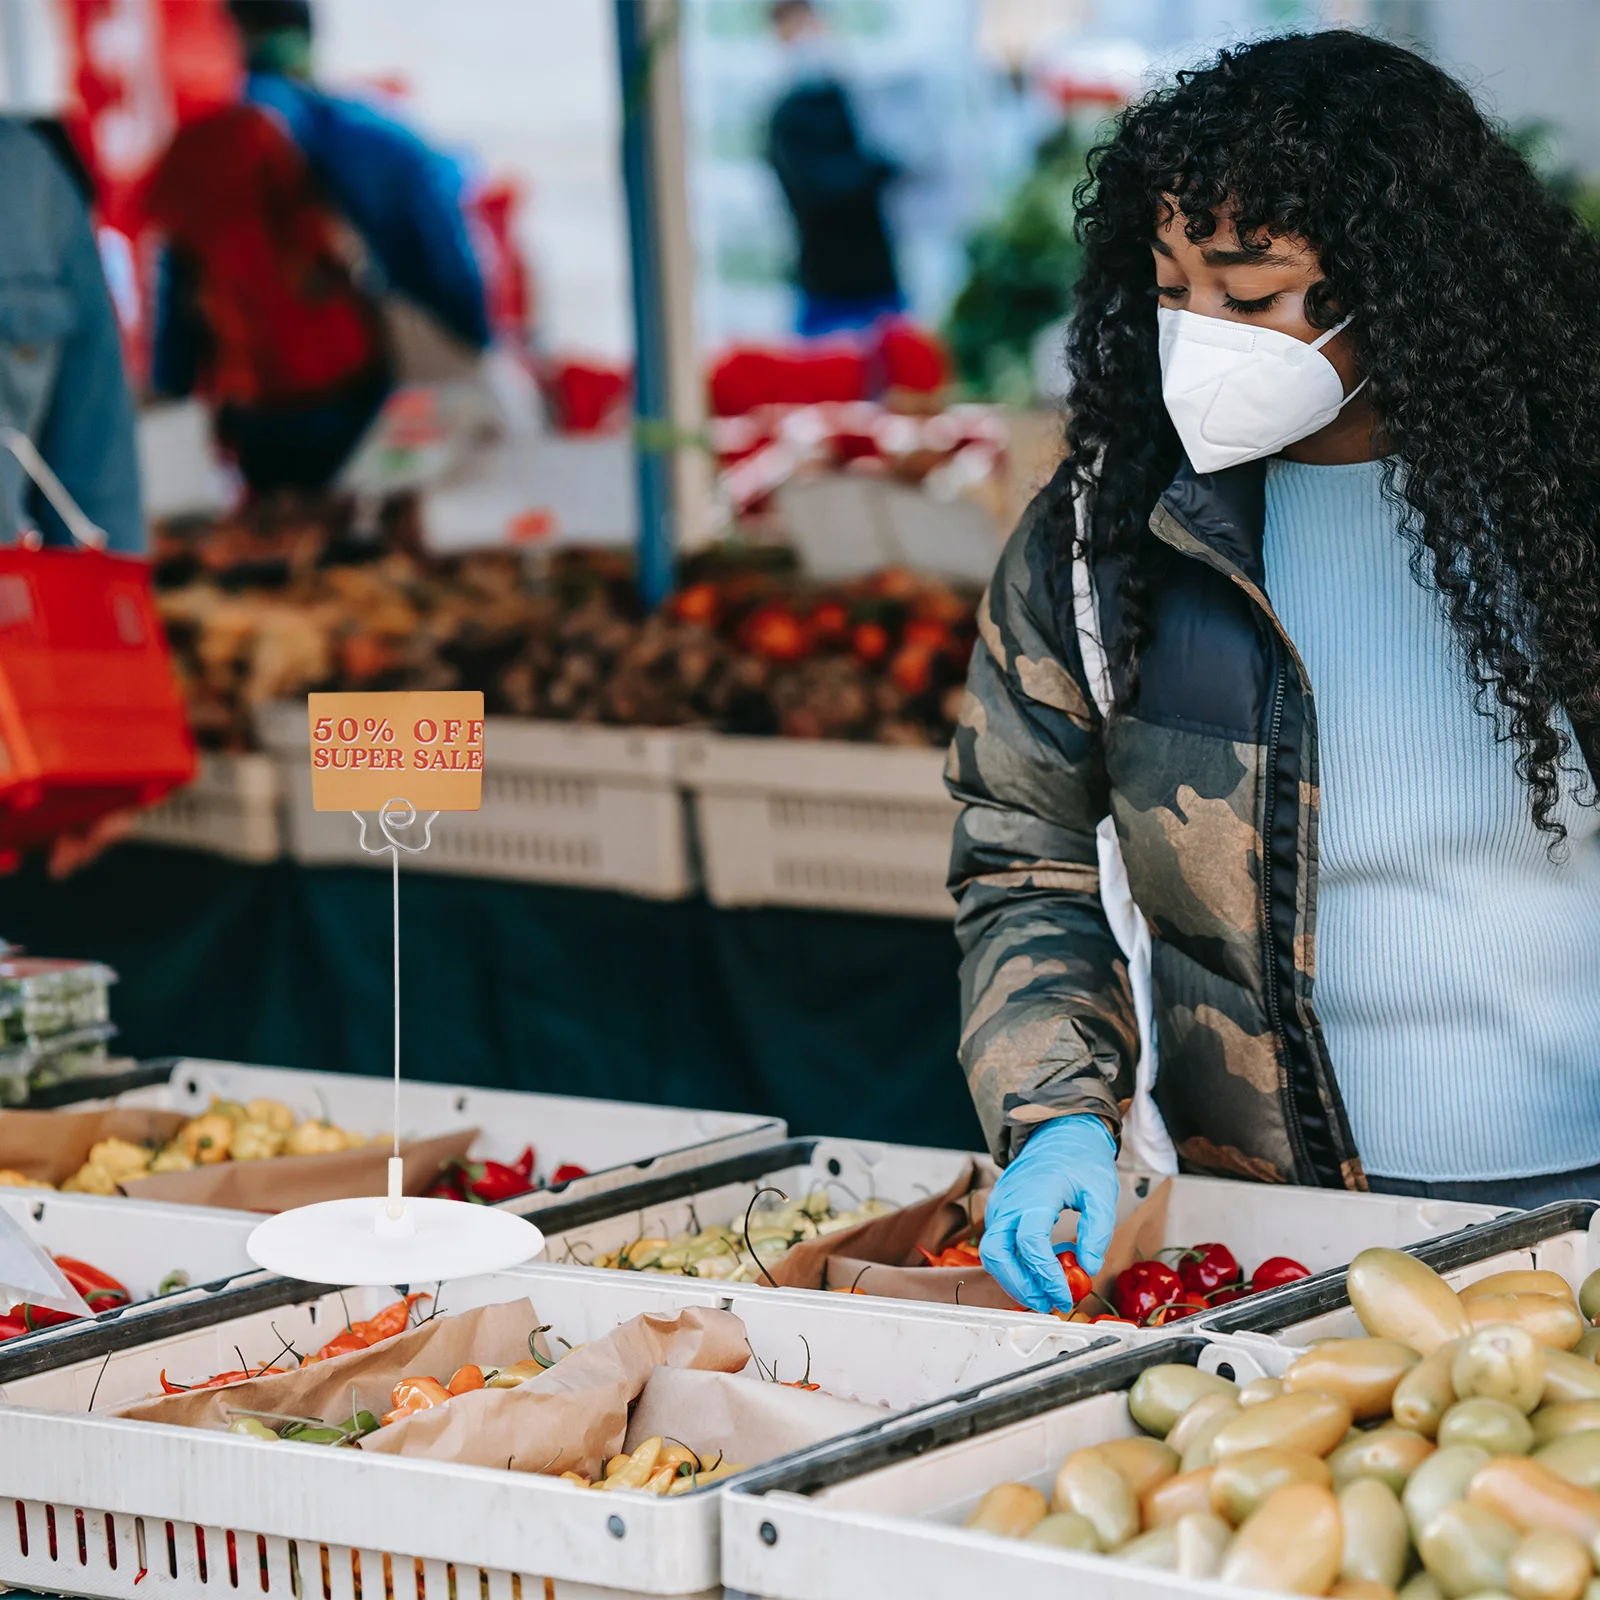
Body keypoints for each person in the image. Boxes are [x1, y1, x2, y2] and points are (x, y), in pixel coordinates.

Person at [951, 30, 1600, 1315]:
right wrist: (1056, 1114)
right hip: (1278, 1225)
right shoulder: (1102, 543)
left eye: (1251, 298)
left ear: (1406, 285)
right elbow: (1021, 857)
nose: (1200, 337)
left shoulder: (1565, 514)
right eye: (1170, 287)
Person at [149, 0, 490, 494]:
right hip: (369, 394)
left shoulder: (198, 150)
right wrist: (472, 339)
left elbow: (177, 307)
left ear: (234, 35)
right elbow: (455, 277)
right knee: (378, 535)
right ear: (309, 34)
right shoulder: (375, 136)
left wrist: (177, 396)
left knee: (283, 542)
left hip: (255, 409)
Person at [766, 0, 903, 338]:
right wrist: (873, 171)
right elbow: (819, 190)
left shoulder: (852, 97)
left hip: (878, 280)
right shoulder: (786, 118)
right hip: (824, 288)